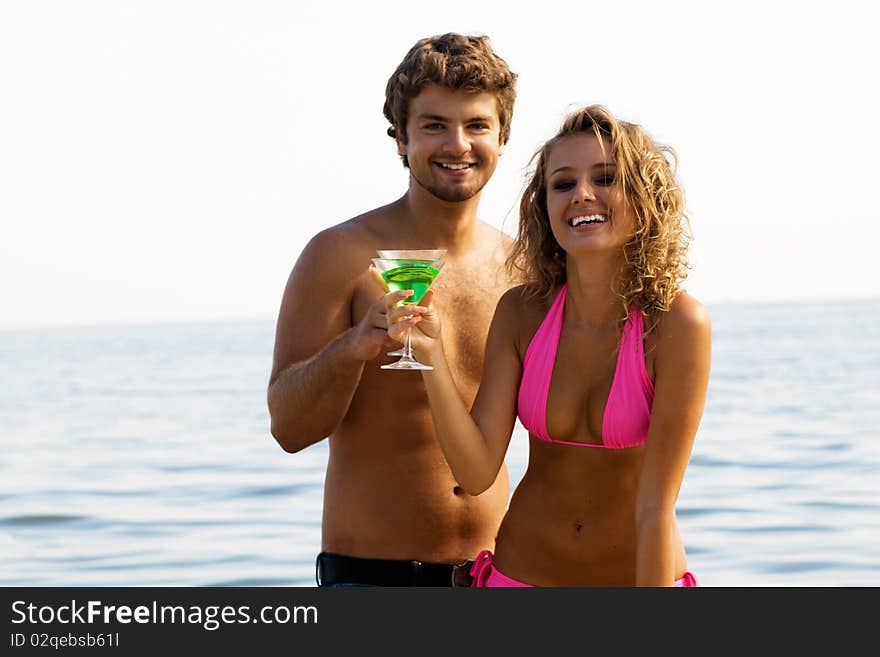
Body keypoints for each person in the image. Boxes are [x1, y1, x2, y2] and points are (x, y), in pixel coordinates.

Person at [386, 105, 711, 586]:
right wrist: (430, 356)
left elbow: (655, 508)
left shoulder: (676, 324)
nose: (582, 195)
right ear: (545, 207)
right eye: (562, 183)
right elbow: (475, 473)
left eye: (605, 178)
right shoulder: (522, 312)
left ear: (644, 200)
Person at [267, 33, 519, 586]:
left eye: (477, 125)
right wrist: (352, 348)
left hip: (499, 576)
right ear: (401, 139)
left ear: (503, 138)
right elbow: (288, 428)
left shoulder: (524, 268)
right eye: (433, 125)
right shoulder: (339, 256)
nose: (458, 144)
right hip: (372, 580)